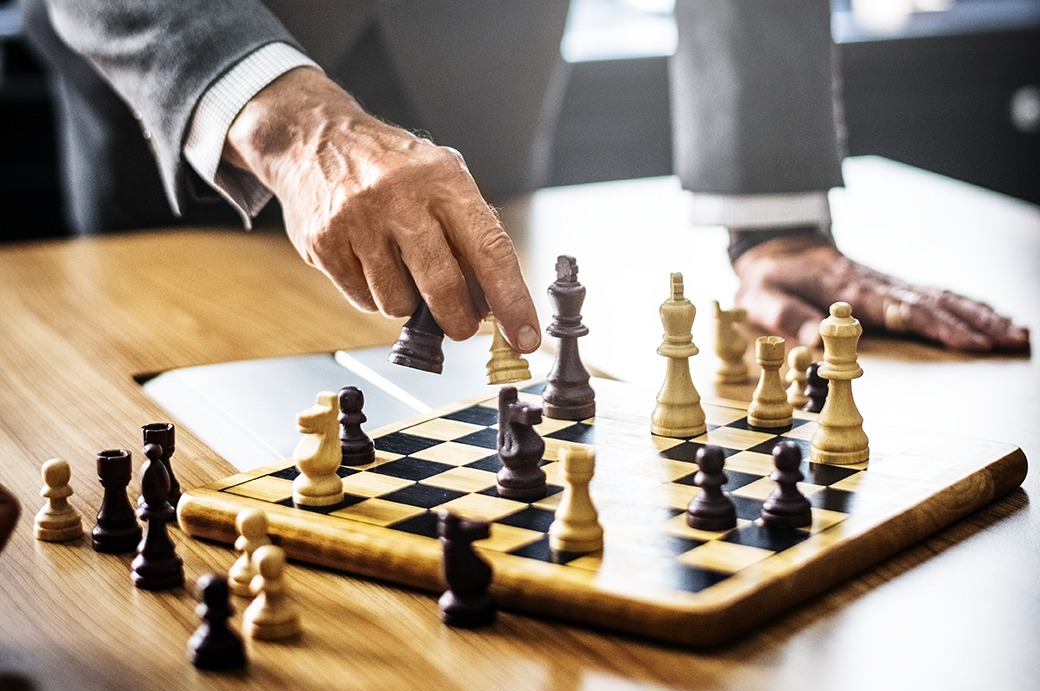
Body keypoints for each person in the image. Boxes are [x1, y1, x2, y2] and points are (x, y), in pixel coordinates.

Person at [19, 0, 1029, 355]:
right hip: (192, 71)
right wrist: (288, 121)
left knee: (478, 347)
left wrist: (769, 219)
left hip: (474, 50)